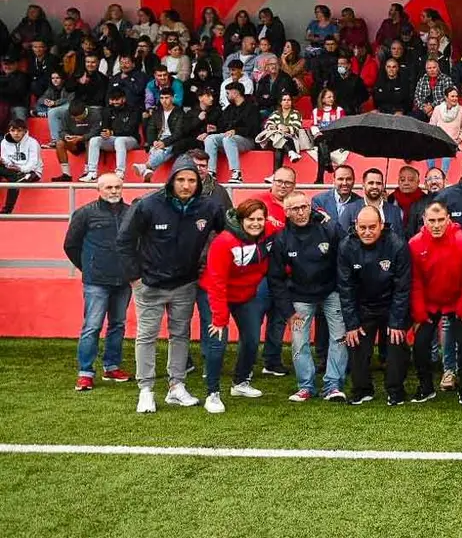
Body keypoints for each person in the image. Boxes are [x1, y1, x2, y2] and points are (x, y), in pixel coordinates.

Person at [117, 154, 224, 413]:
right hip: (150, 285)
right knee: (147, 336)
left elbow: (226, 233)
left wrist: (206, 263)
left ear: (199, 182)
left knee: (180, 335)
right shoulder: (148, 205)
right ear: (171, 180)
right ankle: (146, 389)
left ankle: (176, 386)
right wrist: (135, 278)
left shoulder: (208, 207)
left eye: (191, 180)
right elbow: (124, 241)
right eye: (181, 180)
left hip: (185, 284)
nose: (186, 185)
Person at [269, 192, 348, 403]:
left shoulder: (328, 228)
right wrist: (288, 311)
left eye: (304, 207)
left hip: (331, 291)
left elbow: (347, 249)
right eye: (295, 209)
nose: (301, 212)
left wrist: (332, 222)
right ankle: (305, 386)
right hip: (300, 296)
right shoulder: (281, 238)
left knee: (339, 337)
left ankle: (333, 385)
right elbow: (275, 279)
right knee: (299, 342)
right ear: (286, 212)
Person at [200, 198, 272, 413]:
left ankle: (240, 382)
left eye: (260, 219)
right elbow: (217, 282)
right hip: (215, 293)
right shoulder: (224, 242)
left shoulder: (266, 236)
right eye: (251, 219)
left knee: (251, 339)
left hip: (245, 295)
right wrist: (219, 319)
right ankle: (212, 393)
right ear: (241, 219)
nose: (256, 223)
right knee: (217, 343)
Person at [338, 206, 412, 406]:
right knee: (355, 341)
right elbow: (346, 289)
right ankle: (362, 390)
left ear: (381, 225)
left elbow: (402, 287)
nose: (367, 232)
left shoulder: (397, 245)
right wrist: (352, 324)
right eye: (362, 227)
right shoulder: (346, 246)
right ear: (355, 226)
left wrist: (397, 322)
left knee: (396, 342)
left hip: (391, 304)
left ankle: (396, 390)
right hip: (364, 306)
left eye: (372, 227)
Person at [65, 173, 132, 391]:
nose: (114, 191)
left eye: (117, 187)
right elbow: (71, 245)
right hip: (96, 281)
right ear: (99, 190)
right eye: (109, 187)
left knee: (118, 325)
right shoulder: (85, 213)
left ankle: (111, 367)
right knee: (92, 326)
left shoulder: (131, 212)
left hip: (123, 280)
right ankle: (85, 373)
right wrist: (89, 266)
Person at [407, 202, 462, 405]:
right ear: (424, 221)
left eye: (440, 220)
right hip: (430, 303)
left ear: (449, 220)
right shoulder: (415, 244)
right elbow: (416, 282)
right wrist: (419, 314)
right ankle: (426, 387)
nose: (436, 225)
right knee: (420, 344)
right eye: (432, 221)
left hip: (457, 302)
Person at [81, 88, 141, 182]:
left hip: (131, 139)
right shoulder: (107, 110)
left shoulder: (133, 110)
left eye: (117, 99)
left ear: (123, 99)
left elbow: (130, 129)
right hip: (113, 139)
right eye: (112, 100)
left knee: (119, 140)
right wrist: (105, 133)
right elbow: (105, 127)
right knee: (94, 140)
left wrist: (113, 133)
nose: (114, 102)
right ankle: (92, 172)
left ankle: (120, 173)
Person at [204, 82, 259, 184]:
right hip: (229, 138)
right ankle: (211, 173)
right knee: (210, 139)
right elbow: (223, 126)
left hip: (247, 140)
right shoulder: (230, 108)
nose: (227, 96)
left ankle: (236, 174)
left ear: (235, 93)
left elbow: (254, 129)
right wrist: (214, 130)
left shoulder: (252, 108)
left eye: (228, 93)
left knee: (228, 139)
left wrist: (236, 131)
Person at [0, 119, 42, 214]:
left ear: (25, 131)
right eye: (13, 130)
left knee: (15, 181)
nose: (16, 133)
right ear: (9, 131)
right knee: (11, 175)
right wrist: (8, 164)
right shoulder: (4, 142)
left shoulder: (33, 143)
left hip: (31, 172)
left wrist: (21, 169)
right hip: (13, 170)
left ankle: (8, 209)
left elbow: (33, 163)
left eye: (19, 131)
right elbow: (5, 158)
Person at [428, 87, 462, 175]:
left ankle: (443, 177)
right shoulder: (438, 109)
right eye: (452, 96)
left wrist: (458, 141)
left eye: (456, 96)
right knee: (429, 150)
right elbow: (432, 126)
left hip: (453, 142)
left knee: (447, 151)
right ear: (446, 97)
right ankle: (432, 173)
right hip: (438, 140)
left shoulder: (461, 110)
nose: (455, 98)